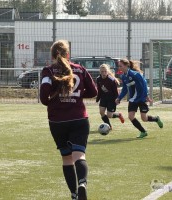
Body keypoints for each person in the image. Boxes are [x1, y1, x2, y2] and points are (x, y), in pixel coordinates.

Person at [40, 40, 97, 200]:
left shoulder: (48, 71)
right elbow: (93, 92)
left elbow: (44, 97)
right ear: (68, 54)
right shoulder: (80, 70)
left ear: (52, 55)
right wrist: (76, 94)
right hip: (79, 118)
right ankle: (83, 183)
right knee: (79, 155)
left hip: (57, 121)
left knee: (66, 158)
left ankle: (74, 194)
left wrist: (58, 97)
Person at [115, 58, 163, 138]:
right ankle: (143, 132)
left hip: (141, 98)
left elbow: (144, 84)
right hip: (133, 100)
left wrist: (146, 95)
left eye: (121, 66)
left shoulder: (135, 74)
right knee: (130, 117)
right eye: (119, 66)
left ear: (127, 65)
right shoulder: (123, 77)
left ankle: (156, 119)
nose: (119, 68)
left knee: (144, 118)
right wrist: (119, 98)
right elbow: (124, 89)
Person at [96, 64, 124, 129]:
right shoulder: (98, 79)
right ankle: (109, 126)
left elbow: (115, 91)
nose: (104, 73)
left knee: (109, 115)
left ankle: (118, 115)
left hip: (111, 99)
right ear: (100, 72)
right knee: (101, 112)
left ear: (107, 71)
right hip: (103, 98)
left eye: (105, 71)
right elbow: (99, 90)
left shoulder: (111, 80)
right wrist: (98, 99)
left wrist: (117, 99)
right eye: (102, 71)